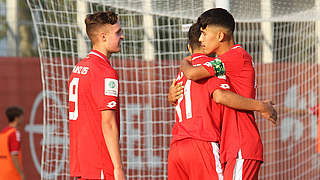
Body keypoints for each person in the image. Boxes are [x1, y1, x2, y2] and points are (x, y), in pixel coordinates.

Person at [167, 23, 276, 180]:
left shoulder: (185, 73)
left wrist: (184, 63)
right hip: (211, 143)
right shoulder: (213, 67)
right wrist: (261, 106)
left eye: (205, 34)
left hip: (183, 144)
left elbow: (194, 78)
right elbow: (218, 94)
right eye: (202, 35)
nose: (203, 39)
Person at [68, 11, 125, 180]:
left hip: (81, 163)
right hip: (100, 163)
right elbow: (108, 122)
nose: (122, 36)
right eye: (118, 32)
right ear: (103, 36)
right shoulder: (105, 72)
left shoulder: (78, 68)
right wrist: (118, 167)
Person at [0, 106, 24, 180]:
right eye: (21, 117)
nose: (22, 119)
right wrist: (21, 174)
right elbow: (14, 155)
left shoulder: (3, 133)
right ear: (16, 118)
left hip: (2, 172)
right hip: (12, 174)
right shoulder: (14, 133)